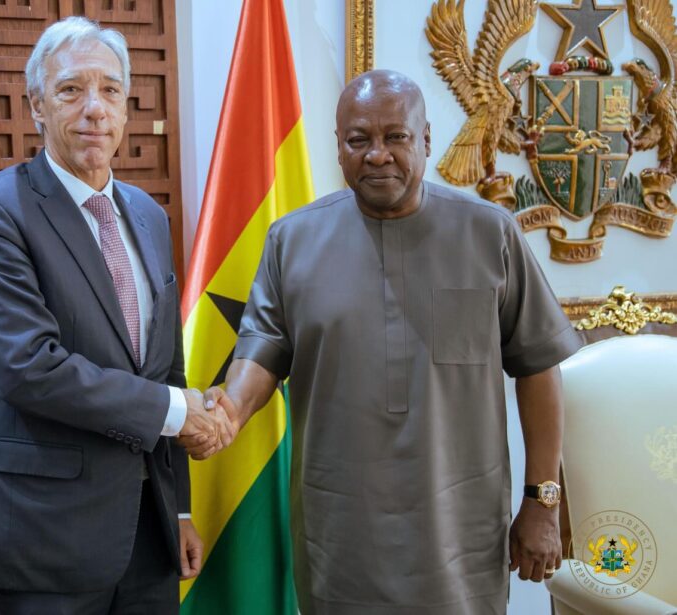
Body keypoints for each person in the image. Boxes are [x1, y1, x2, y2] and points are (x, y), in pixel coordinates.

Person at [197, 70, 583, 614]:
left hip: (459, 533)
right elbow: (262, 346)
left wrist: (542, 501)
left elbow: (539, 366)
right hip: (340, 535)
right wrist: (229, 410)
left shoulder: (490, 232)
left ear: (425, 140)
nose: (377, 155)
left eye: (395, 137)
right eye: (359, 139)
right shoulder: (292, 240)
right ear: (338, 148)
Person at [0, 16, 228, 615]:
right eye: (71, 90)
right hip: (44, 537)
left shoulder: (148, 216)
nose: (94, 109)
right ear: (37, 108)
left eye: (109, 90)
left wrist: (175, 508)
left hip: (148, 538)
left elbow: (164, 367)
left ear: (127, 109)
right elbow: (29, 368)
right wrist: (180, 414)